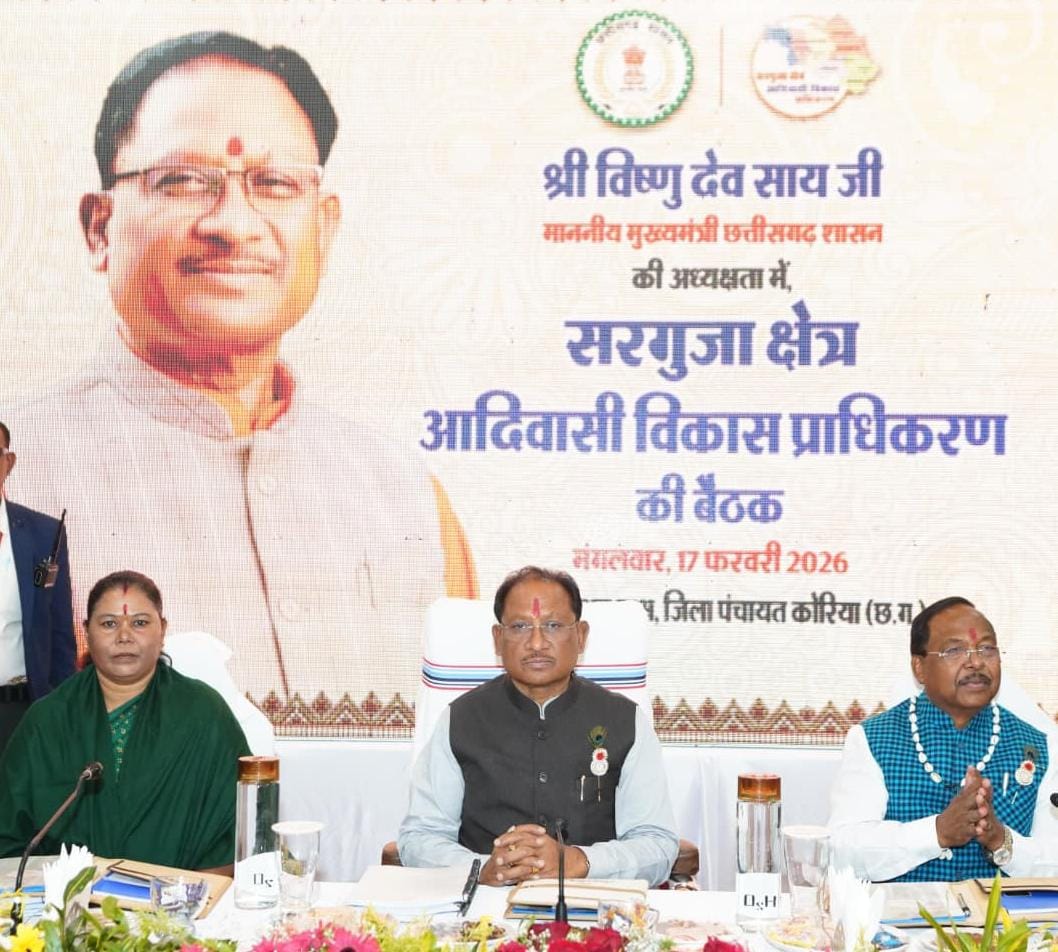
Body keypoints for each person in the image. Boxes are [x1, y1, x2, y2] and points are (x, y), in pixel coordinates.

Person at [0, 32, 476, 708]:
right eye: (183, 180)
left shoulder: (404, 494)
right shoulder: (22, 471)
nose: (232, 223)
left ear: (324, 228)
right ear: (100, 226)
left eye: (275, 184)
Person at [398, 566, 679, 887]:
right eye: (520, 626)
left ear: (581, 635)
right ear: (498, 639)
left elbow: (657, 842)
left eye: (553, 625)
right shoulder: (460, 719)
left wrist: (581, 861)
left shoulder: (625, 721)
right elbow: (420, 837)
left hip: (594, 902)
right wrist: (481, 868)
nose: (536, 643)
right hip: (485, 905)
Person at [0, 570, 250, 870]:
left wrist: (194, 893)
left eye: (140, 623)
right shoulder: (48, 719)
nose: (124, 636)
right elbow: (9, 835)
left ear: (162, 630)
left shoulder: (203, 713)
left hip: (183, 895)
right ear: (86, 632)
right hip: (66, 897)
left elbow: (238, 831)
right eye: (109, 624)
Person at [828, 596, 1058, 881]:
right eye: (955, 650)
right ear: (919, 667)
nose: (976, 662)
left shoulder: (1037, 748)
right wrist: (937, 832)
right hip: (900, 911)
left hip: (1002, 912)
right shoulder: (872, 740)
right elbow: (842, 852)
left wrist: (1001, 840)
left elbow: (1053, 860)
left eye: (987, 648)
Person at [0, 421, 75, 753]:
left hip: (20, 711)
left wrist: (64, 710)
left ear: (8, 462)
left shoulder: (45, 534)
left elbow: (60, 632)